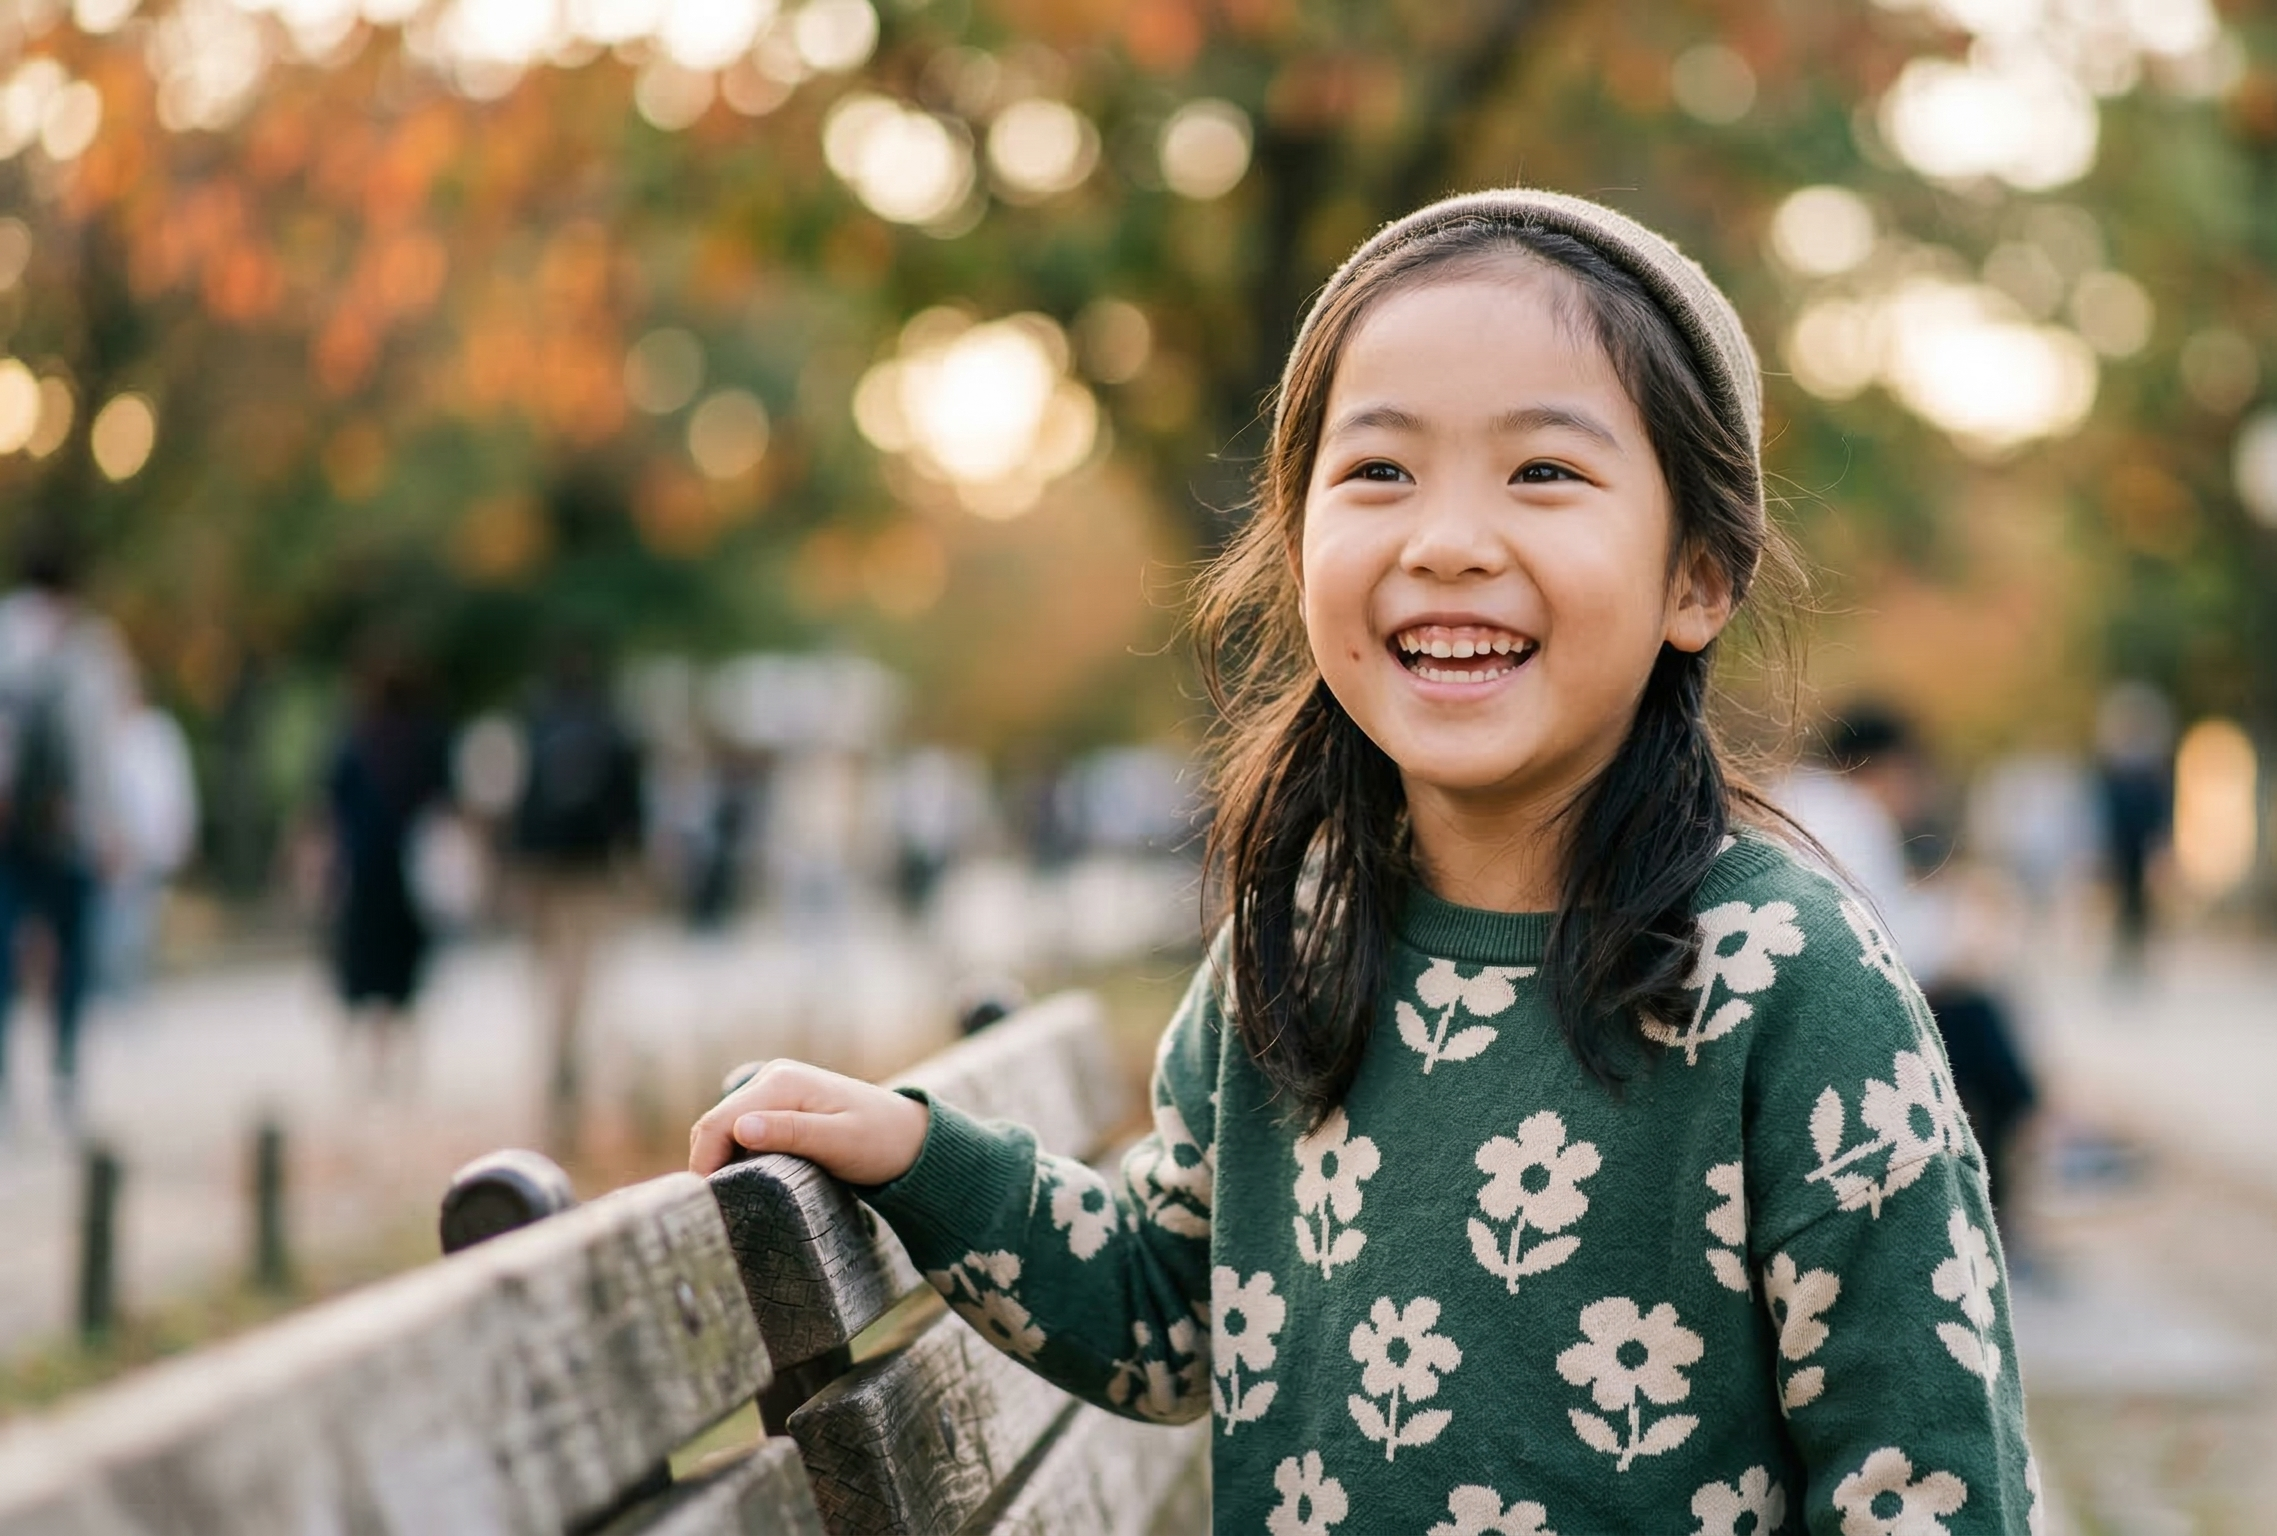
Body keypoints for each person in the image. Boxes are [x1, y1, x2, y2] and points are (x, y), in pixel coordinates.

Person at [694, 193, 2038, 1533]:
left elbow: (1925, 1484)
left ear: (1697, 577)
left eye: (1544, 473)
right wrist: (919, 1155)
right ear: (1298, 551)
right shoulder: (1300, 945)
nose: (1446, 538)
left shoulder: (1786, 976)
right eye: (1380, 472)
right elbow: (1172, 1315)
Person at [1784, 707, 2043, 1240]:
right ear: (1884, 767)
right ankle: (1997, 1217)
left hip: (1819, 1004)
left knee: (1983, 1015)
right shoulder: (1850, 815)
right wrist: (1965, 937)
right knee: (1985, 1029)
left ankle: (2021, 1168)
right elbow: (1886, 945)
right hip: (1840, 1018)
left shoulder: (1804, 799)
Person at [0, 534, 131, 1134]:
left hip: (13, 829)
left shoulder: (8, 636)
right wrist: (106, 826)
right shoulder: (90, 647)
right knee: (71, 956)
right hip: (65, 826)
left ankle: (18, 1082)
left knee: (10, 955)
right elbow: (100, 749)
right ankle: (63, 1073)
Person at [507, 640, 646, 1154]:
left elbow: (522, 802)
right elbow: (630, 808)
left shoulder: (536, 722)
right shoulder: (611, 726)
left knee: (552, 991)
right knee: (590, 987)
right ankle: (590, 1096)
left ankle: (556, 1095)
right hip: (593, 872)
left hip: (545, 873)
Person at [323, 649, 454, 1089]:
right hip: (411, 875)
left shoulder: (355, 738)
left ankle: (371, 1062)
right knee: (404, 972)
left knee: (365, 970)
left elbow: (329, 806)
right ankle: (406, 1060)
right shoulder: (429, 737)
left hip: (364, 872)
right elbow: (446, 804)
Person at [97, 663, 198, 999]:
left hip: (152, 842)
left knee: (140, 916)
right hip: (122, 845)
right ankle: (120, 986)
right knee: (120, 916)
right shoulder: (110, 735)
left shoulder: (157, 731)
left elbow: (175, 786)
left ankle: (131, 985)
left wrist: (180, 832)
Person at [2093, 680, 2174, 982]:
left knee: (2142, 905)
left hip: (2141, 845)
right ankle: (2120, 956)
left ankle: (2137, 957)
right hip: (2120, 845)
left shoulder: (2150, 770)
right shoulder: (2113, 769)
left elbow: (2159, 810)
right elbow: (2104, 810)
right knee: (2119, 902)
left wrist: (2162, 844)